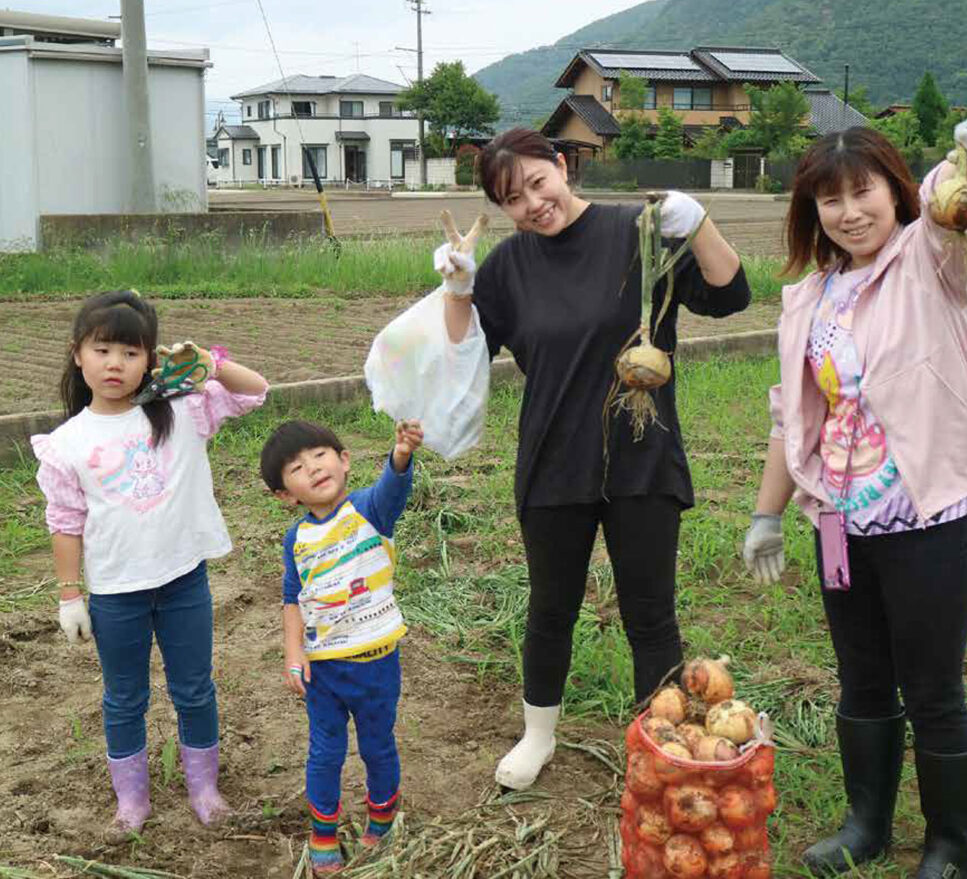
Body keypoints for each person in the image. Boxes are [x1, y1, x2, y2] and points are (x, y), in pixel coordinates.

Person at [436, 127, 751, 791]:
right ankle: (538, 735)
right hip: (554, 459)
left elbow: (729, 295)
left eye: (537, 183)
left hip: (642, 455)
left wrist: (699, 226)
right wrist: (459, 291)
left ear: (560, 165)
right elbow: (461, 356)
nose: (532, 203)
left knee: (651, 615)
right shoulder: (510, 267)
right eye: (512, 199)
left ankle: (659, 745)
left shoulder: (636, 232)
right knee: (551, 607)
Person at [742, 116, 967, 878]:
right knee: (861, 679)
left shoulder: (931, 262)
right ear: (811, 210)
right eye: (830, 199)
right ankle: (865, 824)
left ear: (893, 191)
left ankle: (947, 847)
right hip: (840, 523)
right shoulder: (813, 297)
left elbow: (951, 213)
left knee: (933, 687)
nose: (850, 211)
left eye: (863, 191)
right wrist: (768, 514)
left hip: (931, 518)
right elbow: (791, 417)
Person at [31, 290, 269, 837]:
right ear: (78, 355)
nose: (116, 364)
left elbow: (255, 392)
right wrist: (70, 595)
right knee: (124, 698)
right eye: (103, 349)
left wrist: (211, 364)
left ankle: (204, 787)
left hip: (184, 579)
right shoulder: (67, 443)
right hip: (116, 592)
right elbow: (65, 521)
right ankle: (131, 801)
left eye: (132, 353)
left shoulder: (184, 410)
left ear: (152, 360)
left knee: (195, 689)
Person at [260, 417, 424, 878]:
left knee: (377, 746)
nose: (312, 468)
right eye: (296, 467)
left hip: (375, 664)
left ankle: (382, 818)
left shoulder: (369, 510)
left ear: (344, 460)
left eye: (319, 455)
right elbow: (292, 599)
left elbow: (393, 487)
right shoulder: (297, 539)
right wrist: (293, 654)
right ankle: (323, 834)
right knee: (325, 752)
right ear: (285, 495)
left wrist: (401, 454)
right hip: (323, 670)